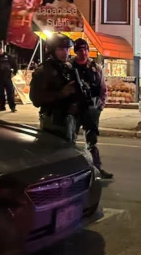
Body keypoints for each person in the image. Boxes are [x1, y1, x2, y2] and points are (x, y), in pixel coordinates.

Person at [72, 39, 114, 179]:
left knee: (91, 142)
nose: (83, 52)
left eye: (85, 49)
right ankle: (72, 172)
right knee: (70, 142)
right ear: (75, 51)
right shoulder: (69, 67)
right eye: (79, 50)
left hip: (91, 109)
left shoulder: (95, 67)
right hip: (74, 110)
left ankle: (96, 169)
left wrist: (100, 106)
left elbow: (103, 89)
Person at [31, 34, 80, 144]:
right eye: (61, 49)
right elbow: (36, 99)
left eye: (67, 48)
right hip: (52, 121)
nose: (65, 52)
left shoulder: (67, 67)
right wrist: (62, 93)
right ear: (52, 50)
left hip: (69, 119)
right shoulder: (43, 71)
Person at [0, 44, 18, 113]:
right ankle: (2, 107)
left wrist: (14, 73)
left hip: (7, 78)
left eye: (0, 49)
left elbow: (15, 65)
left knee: (10, 93)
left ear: (3, 49)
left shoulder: (8, 57)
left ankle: (12, 107)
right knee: (1, 93)